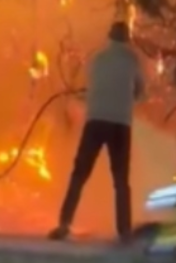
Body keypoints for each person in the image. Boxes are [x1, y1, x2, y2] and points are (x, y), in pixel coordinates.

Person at [50, 21, 144, 242]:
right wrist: (125, 101)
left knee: (79, 174)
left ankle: (64, 224)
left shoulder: (98, 58)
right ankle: (125, 231)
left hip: (96, 122)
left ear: (109, 37)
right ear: (127, 39)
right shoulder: (132, 60)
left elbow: (90, 87)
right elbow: (139, 91)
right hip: (120, 124)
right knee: (121, 181)